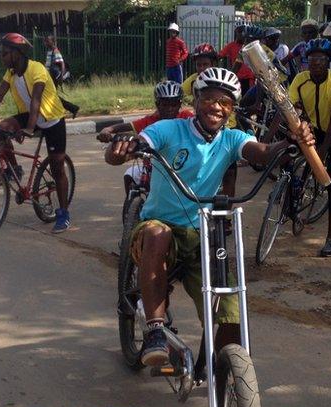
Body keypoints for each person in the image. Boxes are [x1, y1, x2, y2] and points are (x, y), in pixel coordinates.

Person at [105, 67, 315, 368]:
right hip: (158, 226)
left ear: (232, 109)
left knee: (231, 314)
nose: (216, 107)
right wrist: (121, 151)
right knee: (158, 234)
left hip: (201, 234)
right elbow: (137, 146)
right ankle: (154, 331)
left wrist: (293, 141)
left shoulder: (231, 139)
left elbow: (263, 151)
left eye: (226, 102)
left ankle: (214, 368)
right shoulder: (170, 129)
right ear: (196, 100)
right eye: (209, 99)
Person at [0, 33, 73, 233]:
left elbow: (36, 100)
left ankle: (63, 214)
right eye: (1, 53)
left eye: (5, 53)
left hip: (52, 119)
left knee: (58, 168)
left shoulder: (37, 70)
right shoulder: (11, 73)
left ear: (17, 53)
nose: (2, 57)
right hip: (30, 116)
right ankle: (14, 170)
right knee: (0, 130)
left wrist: (28, 128)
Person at [289, 38, 331, 257]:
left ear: (328, 61)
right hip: (314, 128)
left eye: (321, 59)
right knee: (291, 154)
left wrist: (323, 151)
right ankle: (294, 196)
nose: (315, 63)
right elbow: (287, 108)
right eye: (312, 58)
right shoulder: (300, 79)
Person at [97, 81, 192, 194]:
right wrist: (108, 129)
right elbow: (127, 126)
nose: (170, 108)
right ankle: (132, 206)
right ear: (157, 104)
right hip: (152, 169)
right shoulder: (149, 121)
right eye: (165, 104)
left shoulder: (187, 118)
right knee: (129, 175)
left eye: (174, 104)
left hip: (182, 168)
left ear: (180, 104)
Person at [184, 43, 239, 197]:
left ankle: (227, 211)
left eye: (205, 64)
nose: (202, 68)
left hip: (226, 129)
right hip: (202, 128)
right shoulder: (194, 80)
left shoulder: (224, 78)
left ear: (214, 64)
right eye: (198, 64)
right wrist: (191, 100)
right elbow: (180, 92)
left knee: (230, 172)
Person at [43, 35, 80, 118]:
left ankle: (68, 109)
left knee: (50, 95)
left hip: (54, 77)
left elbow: (62, 64)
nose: (45, 42)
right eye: (45, 41)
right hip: (49, 77)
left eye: (47, 41)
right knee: (52, 95)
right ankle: (72, 108)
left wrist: (61, 77)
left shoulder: (55, 51)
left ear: (53, 41)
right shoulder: (49, 51)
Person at [219, 25, 256, 94]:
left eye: (242, 32)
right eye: (239, 32)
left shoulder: (250, 46)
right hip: (237, 77)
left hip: (249, 78)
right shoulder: (231, 45)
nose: (240, 35)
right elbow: (220, 55)